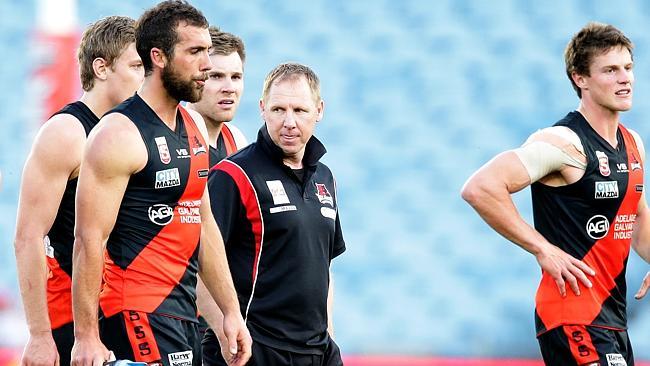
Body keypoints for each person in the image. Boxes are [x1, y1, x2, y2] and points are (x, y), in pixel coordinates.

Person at [69, 1, 251, 366]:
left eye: (207, 52)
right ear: (159, 57)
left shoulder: (194, 127)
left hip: (184, 313)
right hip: (136, 310)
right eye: (195, 52)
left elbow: (203, 222)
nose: (207, 64)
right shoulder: (118, 133)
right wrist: (85, 336)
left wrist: (230, 311)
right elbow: (89, 238)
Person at [462, 22, 650, 366]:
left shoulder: (633, 144)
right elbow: (480, 187)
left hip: (612, 321)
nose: (625, 78)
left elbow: (634, 216)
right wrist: (542, 248)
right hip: (572, 315)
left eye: (628, 68)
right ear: (580, 79)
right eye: (610, 70)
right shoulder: (561, 142)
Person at [13, 16, 143, 366]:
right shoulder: (67, 132)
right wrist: (39, 336)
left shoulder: (134, 131)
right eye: (136, 66)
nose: (145, 78)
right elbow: (27, 237)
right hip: (73, 320)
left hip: (125, 309)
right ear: (101, 68)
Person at [203, 62, 345, 366]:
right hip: (254, 348)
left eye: (300, 110)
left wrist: (328, 335)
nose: (289, 122)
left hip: (315, 350)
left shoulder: (326, 179)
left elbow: (323, 266)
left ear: (319, 110)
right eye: (279, 109)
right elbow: (199, 262)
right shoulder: (233, 175)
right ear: (262, 108)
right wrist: (226, 334)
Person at [187, 26, 247, 168]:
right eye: (216, 76)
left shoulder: (236, 141)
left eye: (236, 77)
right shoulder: (169, 138)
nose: (229, 88)